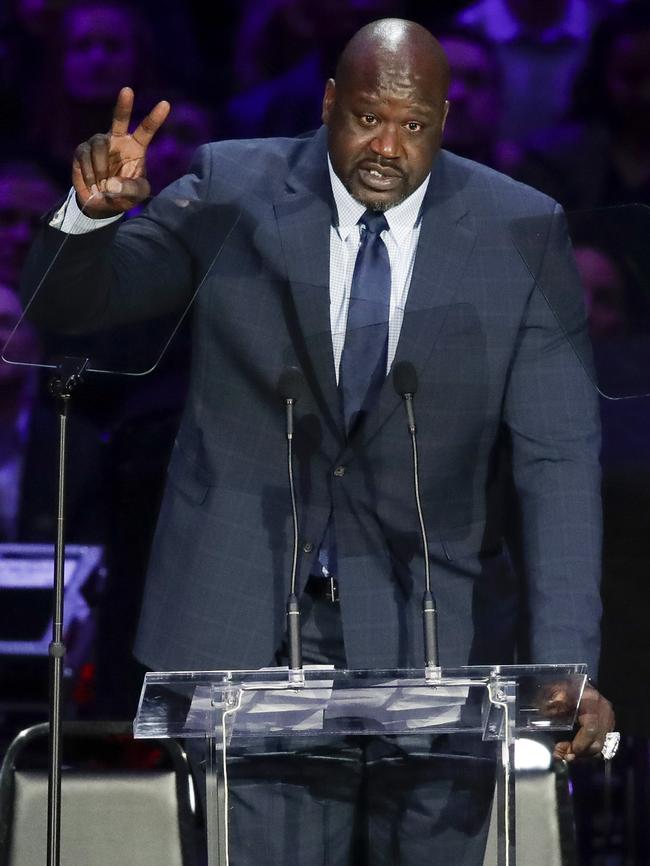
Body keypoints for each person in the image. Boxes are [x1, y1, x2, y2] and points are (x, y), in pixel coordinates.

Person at [21, 18, 615, 864]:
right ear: (330, 101)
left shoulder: (523, 228)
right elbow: (69, 303)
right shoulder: (233, 185)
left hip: (436, 640)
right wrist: (87, 215)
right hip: (252, 638)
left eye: (414, 126)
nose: (387, 146)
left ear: (445, 122)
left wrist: (568, 664)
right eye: (369, 116)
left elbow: (558, 461)